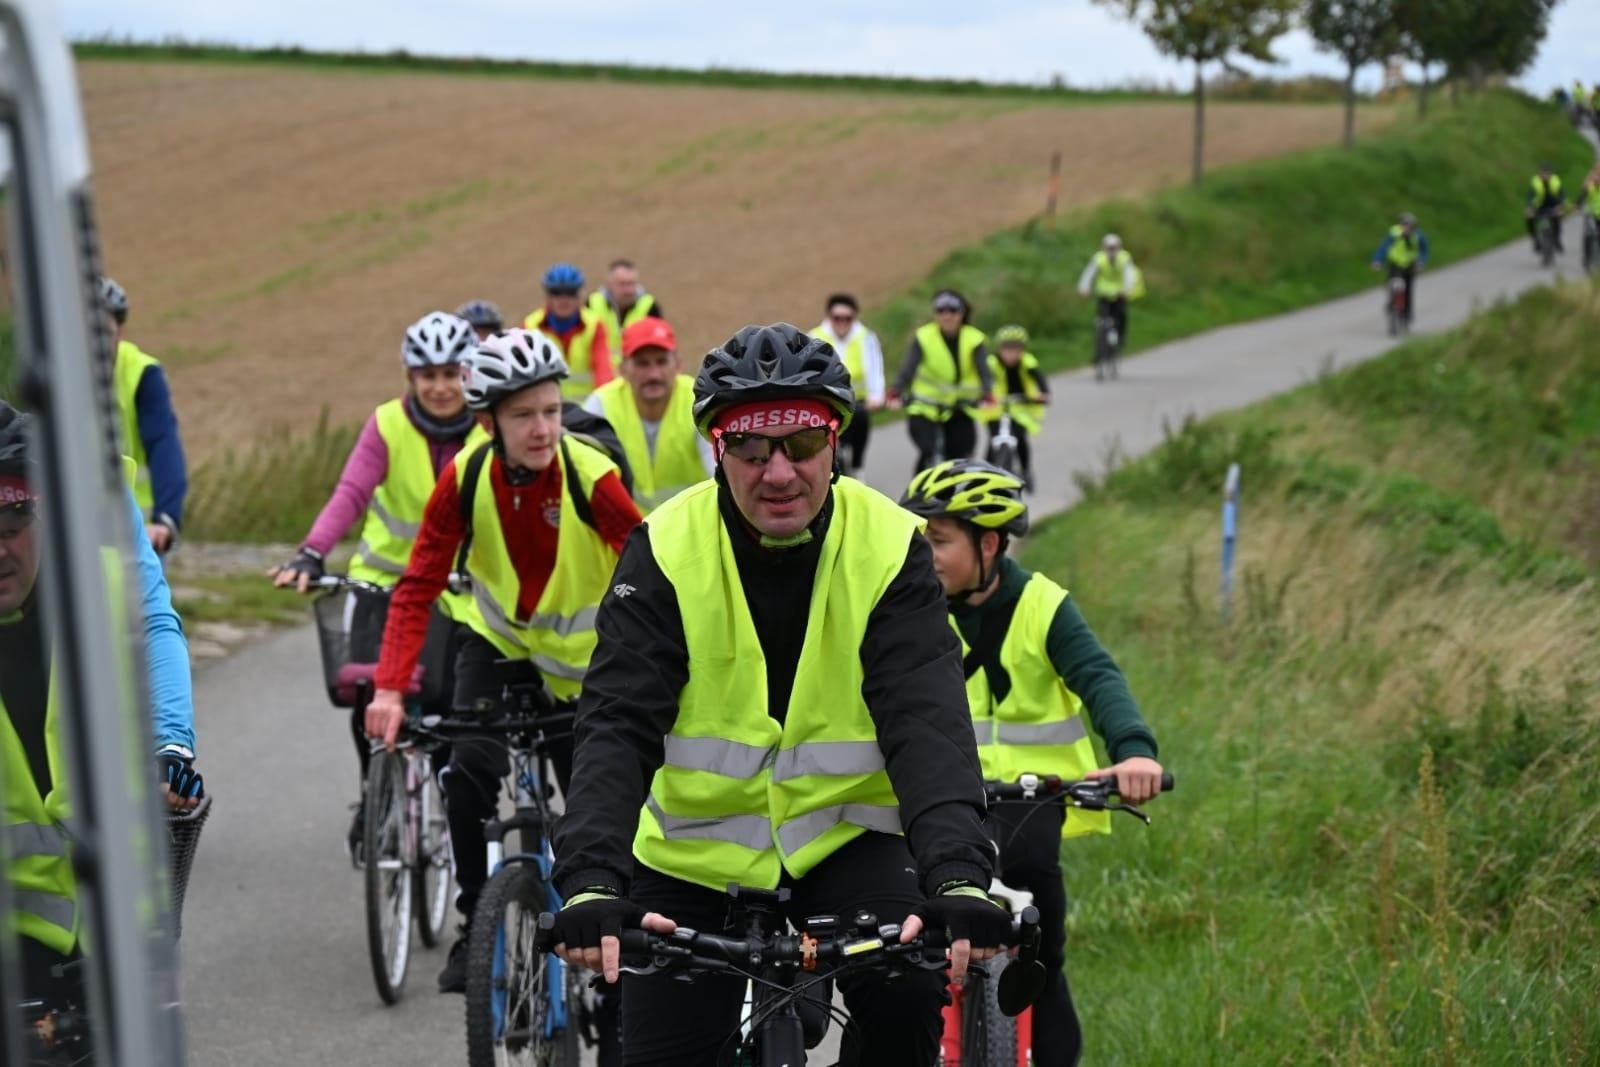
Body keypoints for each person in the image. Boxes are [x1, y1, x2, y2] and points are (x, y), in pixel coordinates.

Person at [549, 324, 1012, 1066]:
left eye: (800, 444)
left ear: (834, 443)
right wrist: (592, 883)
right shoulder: (665, 546)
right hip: (694, 855)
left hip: (847, 838)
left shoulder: (889, 545)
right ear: (716, 450)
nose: (778, 473)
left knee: (905, 1000)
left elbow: (925, 718)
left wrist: (958, 873)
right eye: (750, 448)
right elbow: (616, 723)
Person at [365, 328, 640, 993]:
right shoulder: (464, 478)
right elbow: (418, 585)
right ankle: (474, 925)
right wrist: (391, 690)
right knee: (466, 773)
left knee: (597, 807)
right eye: (523, 415)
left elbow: (650, 569)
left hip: (584, 665)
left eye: (551, 410)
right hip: (498, 644)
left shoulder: (590, 475)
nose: (542, 428)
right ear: (488, 422)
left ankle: (610, 945)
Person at [899, 458, 1163, 1067]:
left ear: (989, 544)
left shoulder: (1043, 606)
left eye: (938, 540)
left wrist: (1134, 752)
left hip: (1030, 803)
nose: (925, 554)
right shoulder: (910, 605)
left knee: (1044, 959)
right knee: (903, 962)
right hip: (935, 804)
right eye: (919, 540)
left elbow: (1098, 676)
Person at [1, 399, 205, 1014]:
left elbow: (154, 624)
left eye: (12, 519)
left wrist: (170, 744)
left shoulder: (99, 574)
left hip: (116, 926)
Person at [269, 310, 485, 859]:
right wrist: (313, 551)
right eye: (427, 375)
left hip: (458, 586)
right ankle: (377, 793)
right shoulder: (387, 424)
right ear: (411, 376)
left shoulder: (487, 428)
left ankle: (450, 804)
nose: (440, 387)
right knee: (368, 689)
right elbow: (351, 493)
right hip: (383, 582)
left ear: (467, 374)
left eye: (450, 374)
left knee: (450, 707)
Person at [583, 317, 712, 514]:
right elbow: (580, 471)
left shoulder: (699, 401)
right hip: (627, 527)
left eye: (661, 362)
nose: (653, 374)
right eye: (642, 364)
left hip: (690, 524)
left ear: (678, 364)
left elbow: (719, 470)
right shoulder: (601, 405)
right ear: (622, 369)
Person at [99, 276, 188, 555]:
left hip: (137, 526)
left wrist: (166, 519)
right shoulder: (53, 373)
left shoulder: (141, 373)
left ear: (120, 331)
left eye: (104, 332)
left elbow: (164, 444)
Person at [889, 289, 993, 475]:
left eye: (953, 310)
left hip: (960, 407)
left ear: (962, 313)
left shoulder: (974, 338)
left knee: (962, 457)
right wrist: (896, 391)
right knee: (928, 450)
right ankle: (918, 488)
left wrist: (987, 394)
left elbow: (984, 371)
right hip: (925, 407)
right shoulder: (924, 336)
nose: (947, 316)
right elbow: (908, 368)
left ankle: (956, 489)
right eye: (941, 310)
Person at [810, 292, 886, 473]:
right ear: (829, 317)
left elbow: (875, 367)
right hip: (829, 401)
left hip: (857, 402)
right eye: (837, 318)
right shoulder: (814, 337)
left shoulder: (866, 337)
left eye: (847, 318)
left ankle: (858, 467)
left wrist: (877, 396)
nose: (842, 323)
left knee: (861, 426)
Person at [524, 262, 614, 401]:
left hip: (587, 409)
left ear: (580, 296)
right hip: (546, 409)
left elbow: (603, 373)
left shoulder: (594, 326)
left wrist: (604, 404)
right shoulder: (530, 326)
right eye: (557, 293)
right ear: (548, 296)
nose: (564, 300)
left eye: (571, 293)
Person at [978, 325, 1049, 490]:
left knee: (1020, 439)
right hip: (996, 409)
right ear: (1000, 349)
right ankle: (984, 475)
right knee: (993, 440)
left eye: (1015, 349)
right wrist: (983, 395)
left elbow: (1040, 379)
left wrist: (1043, 393)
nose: (1011, 353)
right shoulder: (992, 363)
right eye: (1007, 348)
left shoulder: (1028, 362)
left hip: (1021, 408)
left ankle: (1025, 470)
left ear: (1022, 350)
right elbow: (984, 380)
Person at [1076, 234, 1138, 353]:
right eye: (1109, 247)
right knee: (1100, 320)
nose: (1111, 250)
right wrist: (1084, 288)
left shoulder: (1124, 258)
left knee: (1121, 315)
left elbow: (1129, 274)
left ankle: (1121, 337)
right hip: (1103, 293)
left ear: (1119, 247)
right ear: (1103, 247)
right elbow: (1088, 273)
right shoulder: (1099, 258)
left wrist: (1127, 289)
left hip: (1119, 293)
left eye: (1114, 247)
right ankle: (1100, 346)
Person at [586, 258, 664, 350]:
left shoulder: (649, 306)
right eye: (622, 284)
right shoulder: (592, 303)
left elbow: (659, 340)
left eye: (632, 284)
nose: (628, 290)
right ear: (609, 284)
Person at [1369, 212, 1430, 327]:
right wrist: (1377, 261)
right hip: (1395, 264)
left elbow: (1423, 251)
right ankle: (1391, 302)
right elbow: (1383, 247)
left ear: (1414, 227)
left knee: (1408, 290)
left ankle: (1407, 313)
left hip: (1410, 265)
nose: (1406, 228)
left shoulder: (1419, 237)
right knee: (1391, 284)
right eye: (1404, 225)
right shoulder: (1394, 234)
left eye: (1409, 226)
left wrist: (1420, 262)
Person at [1526, 163, 1567, 255]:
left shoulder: (1556, 181)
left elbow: (1562, 194)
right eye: (1543, 173)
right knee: (1529, 218)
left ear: (1550, 174)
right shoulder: (1535, 182)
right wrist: (1529, 207)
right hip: (1539, 207)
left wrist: (1560, 205)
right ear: (1540, 173)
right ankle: (1536, 240)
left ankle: (1557, 240)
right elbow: (1530, 196)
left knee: (1558, 218)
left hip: (1553, 206)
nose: (1545, 176)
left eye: (1547, 173)